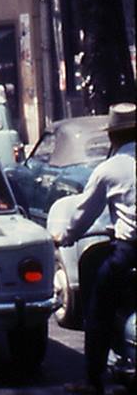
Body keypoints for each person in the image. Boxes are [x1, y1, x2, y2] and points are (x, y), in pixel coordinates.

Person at [53, 102, 136, 394]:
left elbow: (83, 214)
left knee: (99, 305)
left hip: (129, 249)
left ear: (112, 137)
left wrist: (65, 237)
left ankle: (93, 379)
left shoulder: (109, 169)